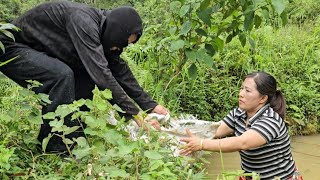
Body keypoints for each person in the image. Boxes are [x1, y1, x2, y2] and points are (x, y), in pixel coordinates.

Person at [0, 1, 168, 153]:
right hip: (10, 46)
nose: (120, 47)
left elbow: (118, 68)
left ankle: (75, 138)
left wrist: (151, 105)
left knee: (84, 75)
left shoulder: (103, 30)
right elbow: (101, 74)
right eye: (122, 42)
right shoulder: (83, 21)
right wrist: (135, 115)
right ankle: (56, 149)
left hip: (37, 49)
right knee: (61, 75)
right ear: (116, 32)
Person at [180, 72, 302, 180]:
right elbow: (215, 130)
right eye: (241, 88)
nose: (241, 94)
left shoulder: (270, 121)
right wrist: (174, 127)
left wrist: (201, 144)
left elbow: (241, 143)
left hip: (279, 178)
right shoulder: (239, 113)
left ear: (263, 98)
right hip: (250, 176)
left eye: (247, 91)